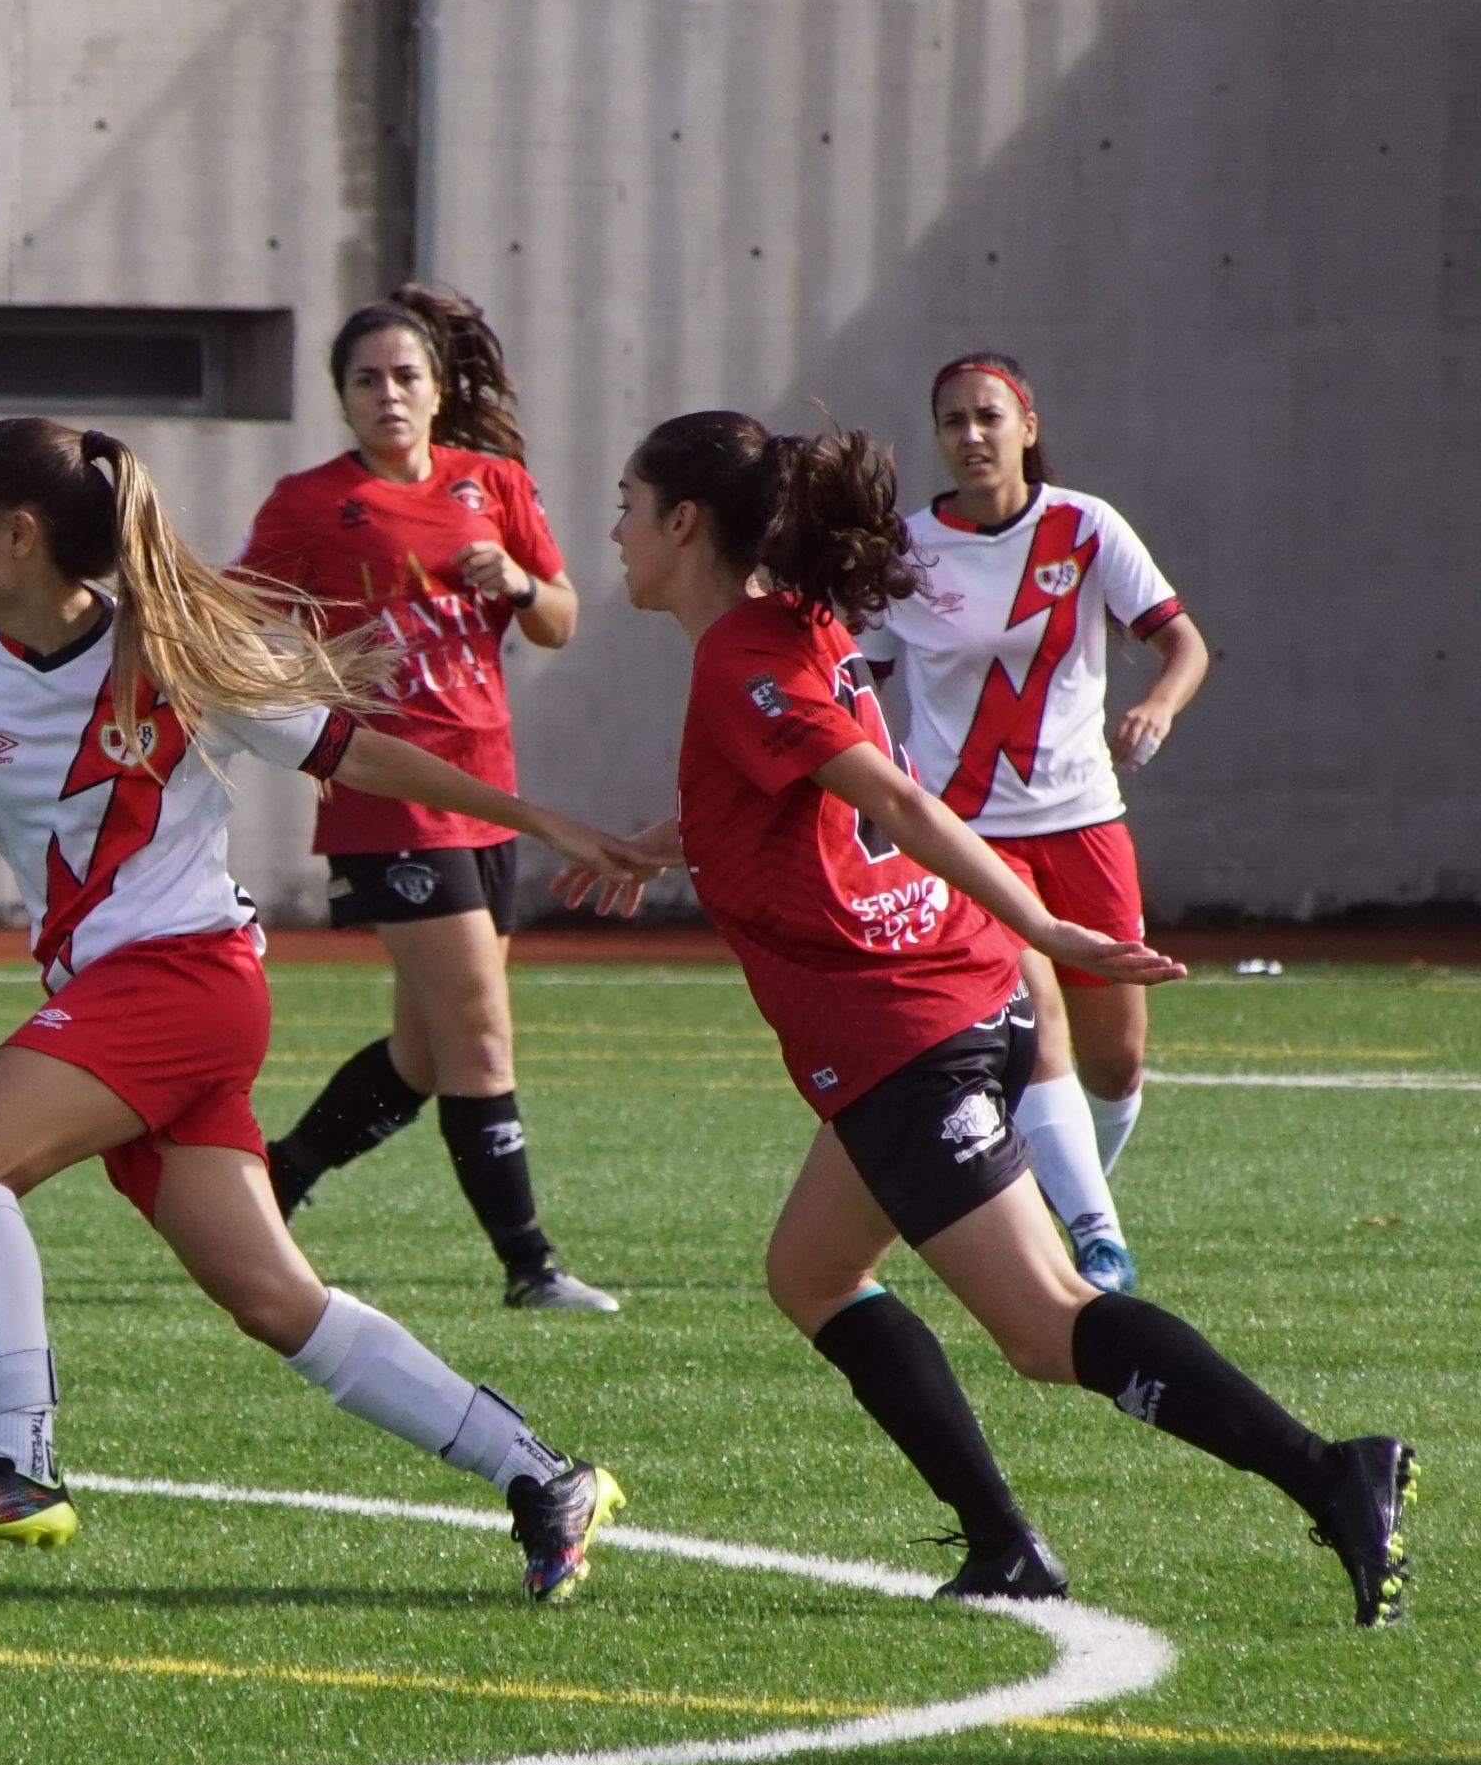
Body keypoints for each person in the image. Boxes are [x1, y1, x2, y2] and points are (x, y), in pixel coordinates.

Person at [0, 418, 659, 1602]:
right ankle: (541, 1474)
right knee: (278, 1300)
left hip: (183, 979)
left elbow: (353, 753)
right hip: (130, 998)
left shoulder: (168, 651)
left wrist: (538, 822)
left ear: (20, 538)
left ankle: (17, 1461)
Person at [593, 408, 1412, 1626]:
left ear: (682, 522)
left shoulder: (740, 656)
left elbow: (897, 806)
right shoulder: (789, 628)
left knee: (1043, 1324)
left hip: (904, 1027)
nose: (608, 530)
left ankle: (1328, 1470)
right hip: (934, 994)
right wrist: (681, 841)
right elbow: (814, 807)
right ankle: (1003, 1546)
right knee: (810, 1272)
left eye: (623, 502)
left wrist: (1048, 928)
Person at [235, 285, 614, 1310]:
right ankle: (529, 1264)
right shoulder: (307, 503)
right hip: (383, 795)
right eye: (366, 379)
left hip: (487, 791)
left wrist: (520, 585)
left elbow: (560, 621)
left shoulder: (491, 483)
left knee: (425, 1047)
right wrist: (299, 679)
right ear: (341, 398)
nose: (387, 394)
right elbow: (240, 618)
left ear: (437, 390)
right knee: (481, 1031)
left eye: (405, 376)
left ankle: (278, 1175)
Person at [856, 355, 1208, 1294]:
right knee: (1036, 1014)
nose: (971, 436)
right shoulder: (908, 550)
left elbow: (1182, 640)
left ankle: (1067, 1199)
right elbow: (860, 679)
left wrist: (1160, 707)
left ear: (1026, 423)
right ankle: (1098, 1237)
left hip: (1085, 821)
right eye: (952, 422)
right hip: (963, 836)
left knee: (1116, 1056)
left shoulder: (1085, 527)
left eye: (988, 417)